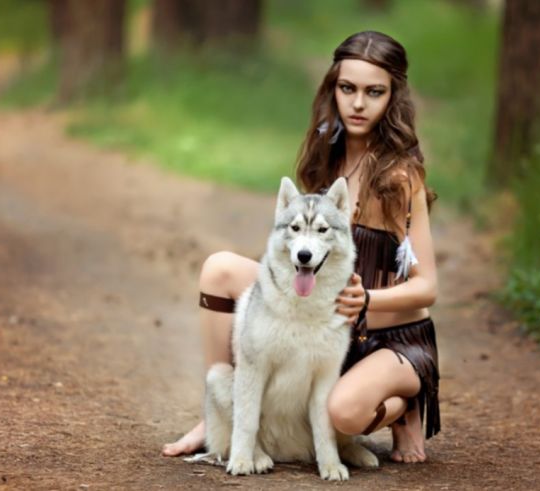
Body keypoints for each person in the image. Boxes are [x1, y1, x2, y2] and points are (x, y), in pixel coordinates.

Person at [162, 30, 440, 464]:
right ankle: (221, 411)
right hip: (330, 324)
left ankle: (404, 410)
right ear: (333, 89)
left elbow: (426, 290)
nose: (358, 104)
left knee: (344, 413)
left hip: (388, 335)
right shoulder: (324, 158)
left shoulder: (401, 177)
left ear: (394, 99)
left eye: (374, 92)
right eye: (347, 89)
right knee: (219, 269)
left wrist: (366, 299)